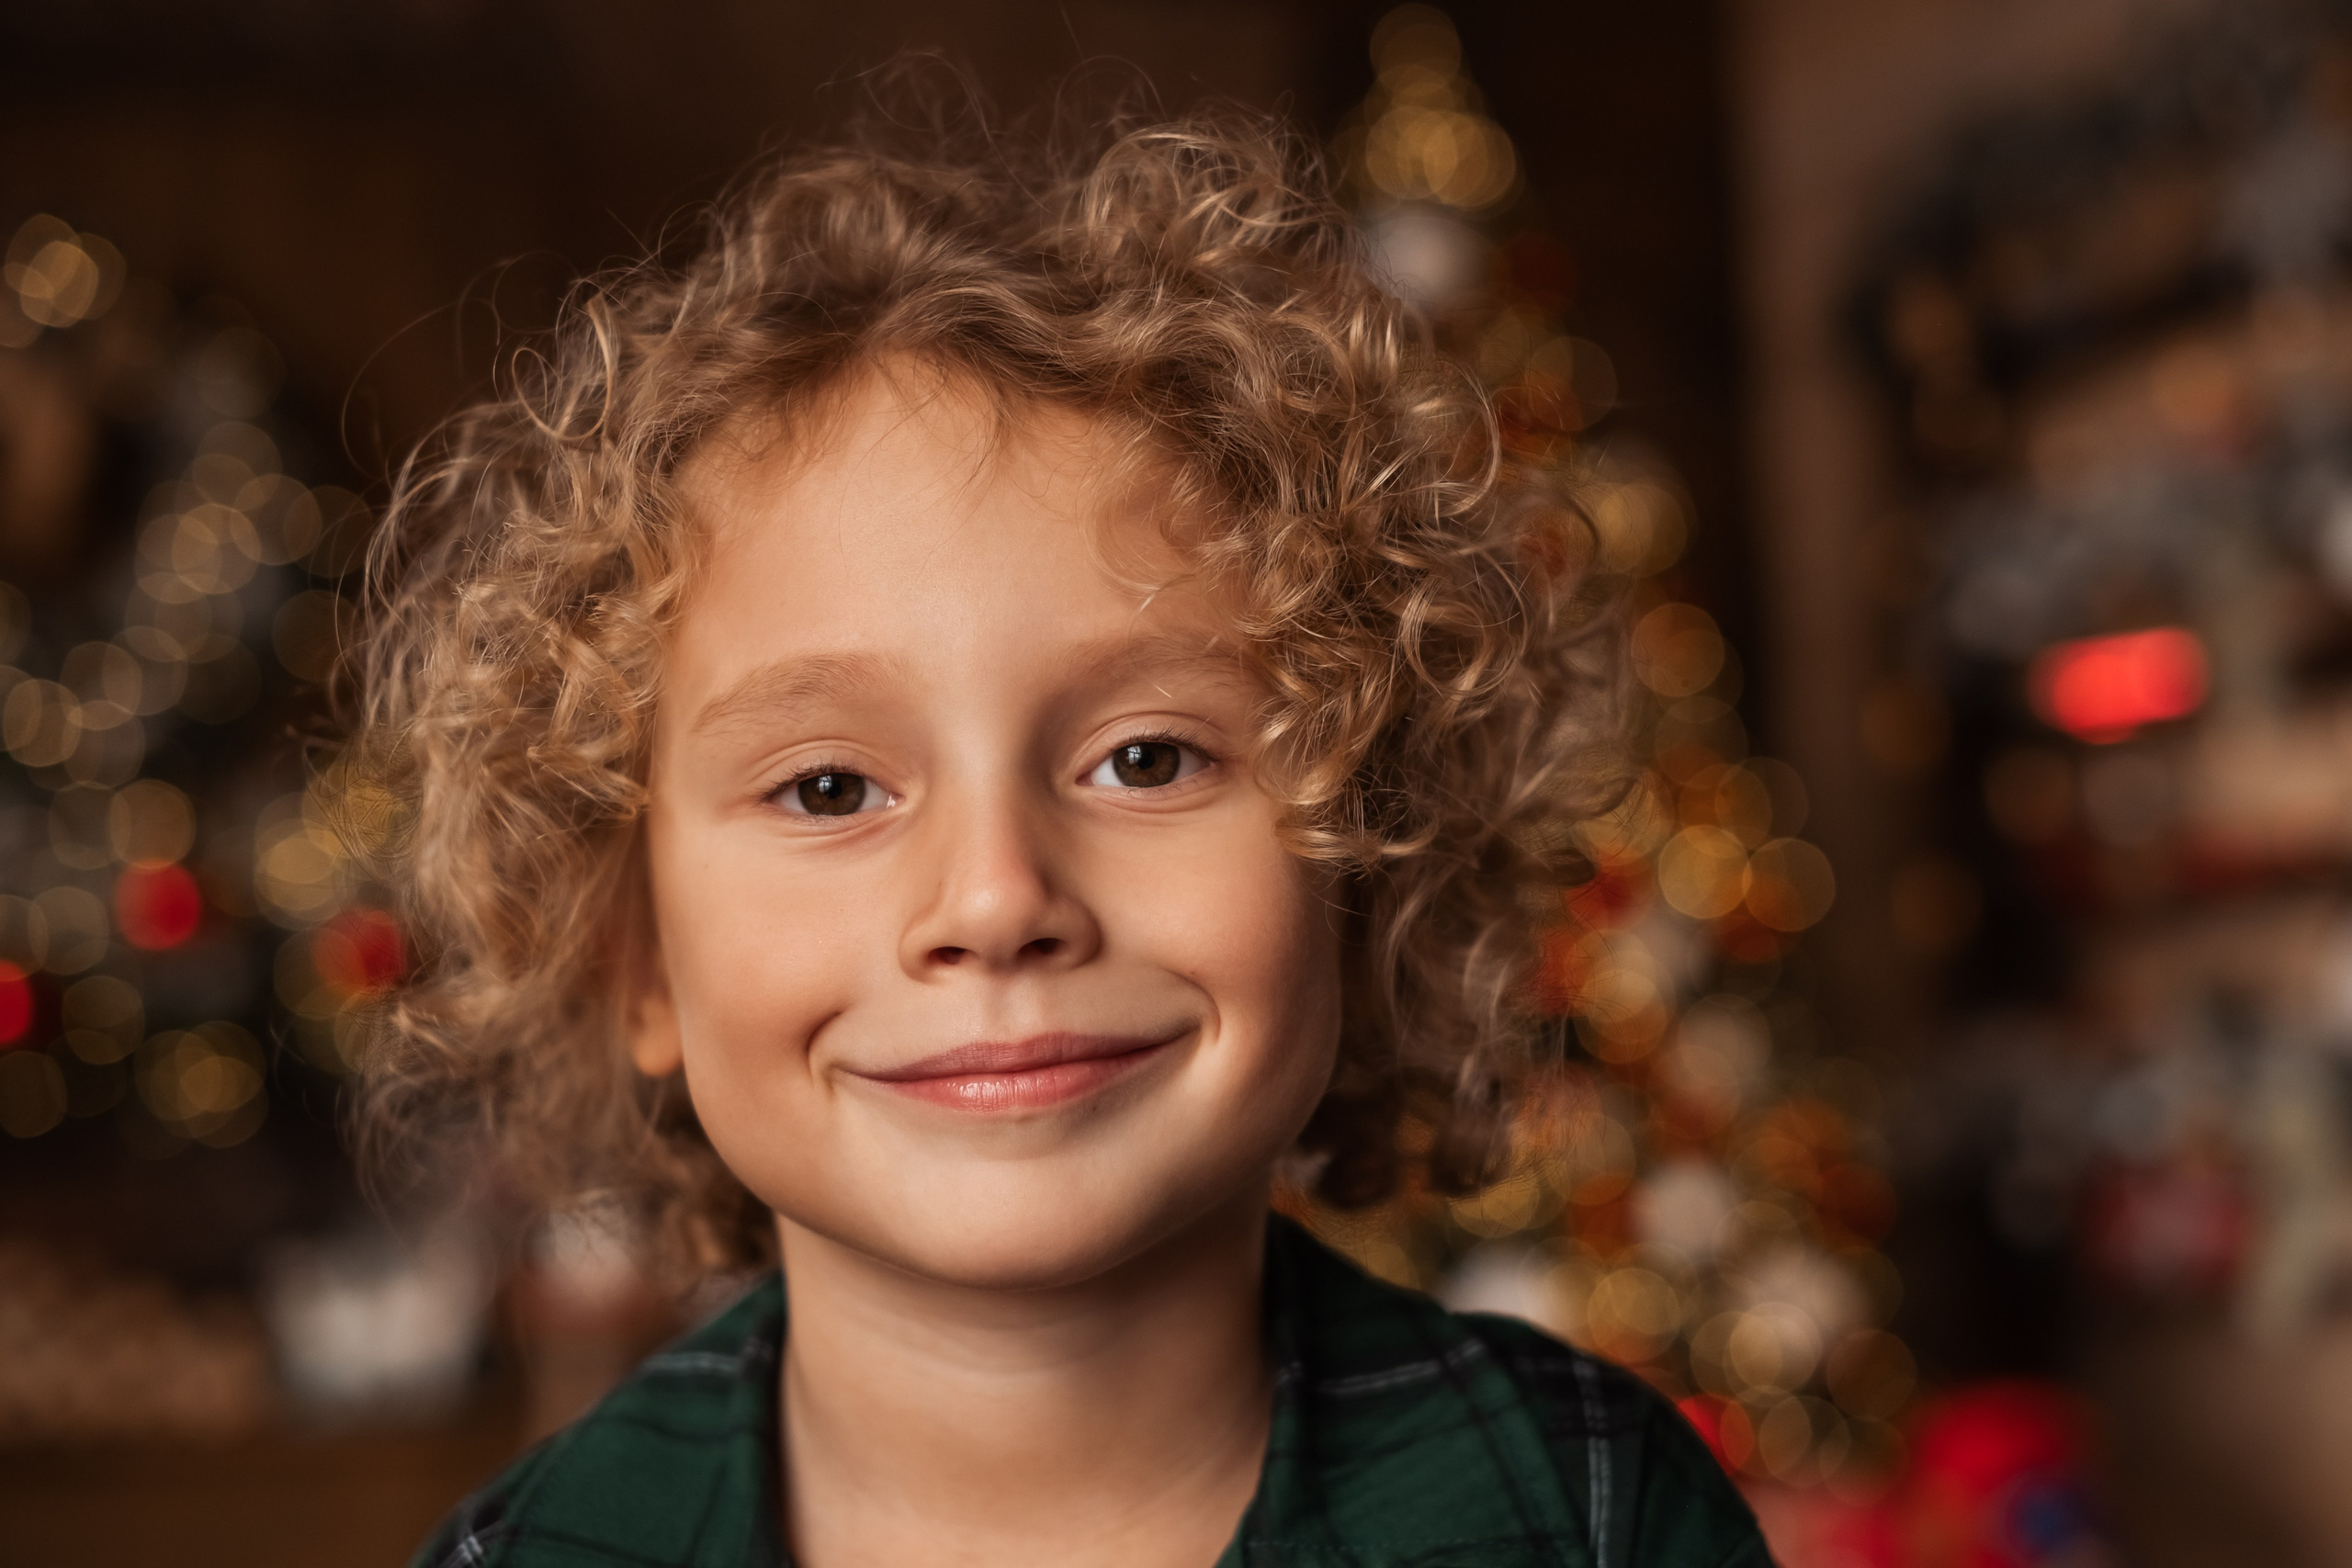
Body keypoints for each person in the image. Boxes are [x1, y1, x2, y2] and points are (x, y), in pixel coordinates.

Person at [356, 94, 1768, 1568]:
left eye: (1147, 759)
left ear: (1364, 856)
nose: (996, 896)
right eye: (831, 789)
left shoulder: (1591, 1515)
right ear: (632, 955)